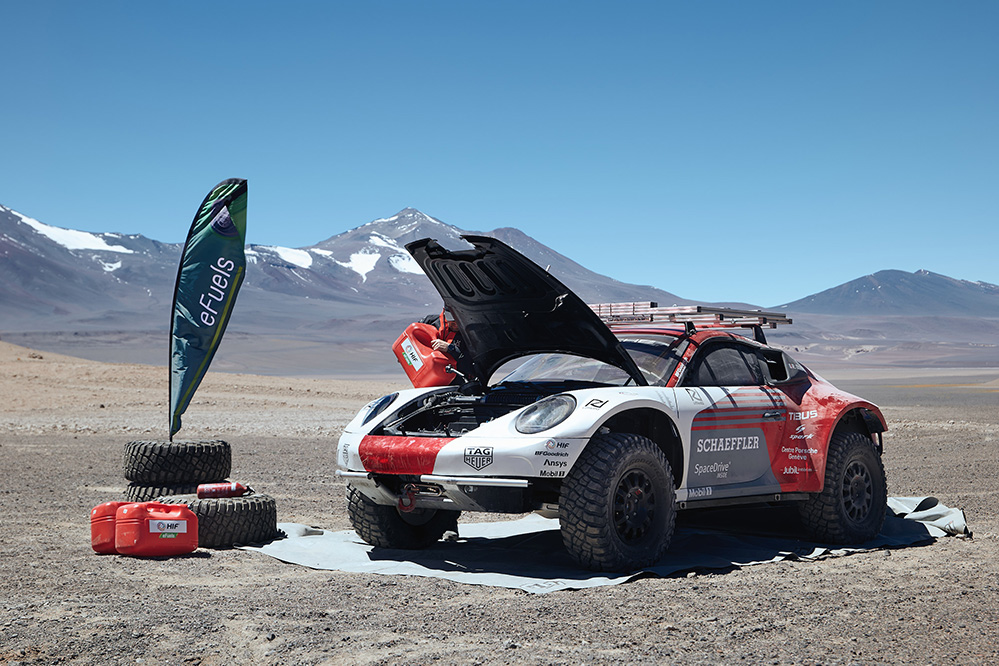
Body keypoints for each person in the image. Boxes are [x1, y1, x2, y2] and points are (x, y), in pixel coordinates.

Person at [422, 308, 475, 384]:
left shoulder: (471, 336)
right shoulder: (430, 321)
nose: (456, 325)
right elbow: (410, 339)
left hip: (455, 383)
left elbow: (471, 367)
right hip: (426, 378)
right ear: (446, 316)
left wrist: (451, 348)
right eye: (452, 321)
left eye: (459, 321)